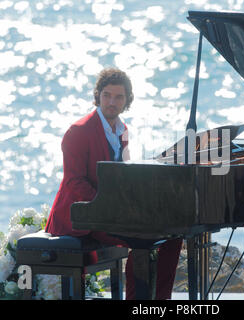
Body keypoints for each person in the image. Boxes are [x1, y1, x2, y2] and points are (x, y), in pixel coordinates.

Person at [45, 67, 182, 300]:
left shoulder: (122, 130)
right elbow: (74, 182)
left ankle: (159, 301)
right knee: (141, 239)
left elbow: (122, 175)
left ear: (127, 100)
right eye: (107, 95)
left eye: (119, 97)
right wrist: (113, 206)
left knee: (174, 234)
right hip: (80, 216)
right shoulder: (78, 131)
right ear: (98, 95)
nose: (112, 102)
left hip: (108, 213)